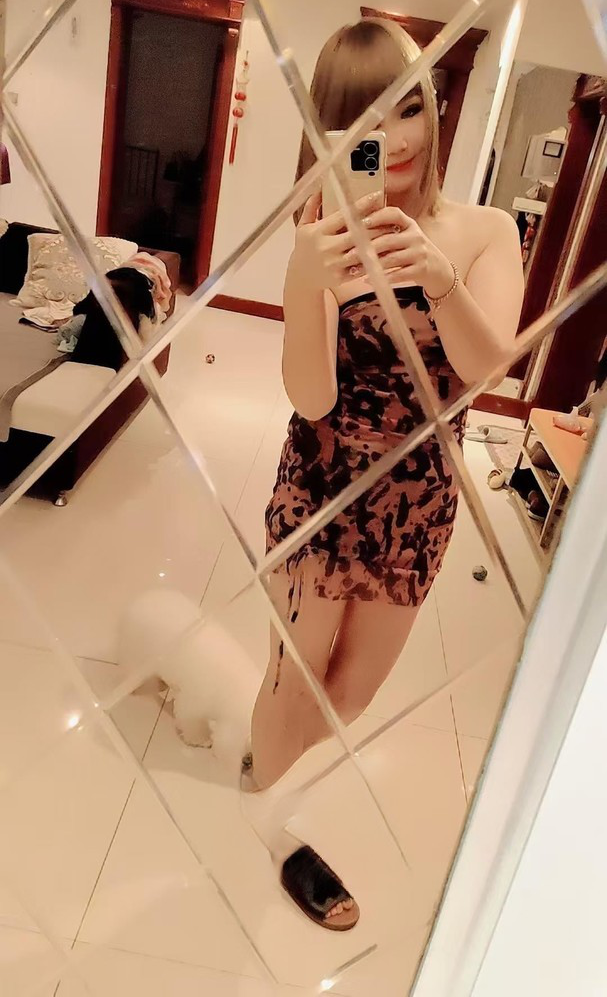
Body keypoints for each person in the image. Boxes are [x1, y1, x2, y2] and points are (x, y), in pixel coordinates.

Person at [243, 17, 524, 931]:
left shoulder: (484, 233)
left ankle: (267, 772)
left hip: (418, 503)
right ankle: (277, 833)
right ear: (331, 136)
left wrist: (439, 281)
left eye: (407, 108)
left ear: (435, 106)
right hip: (320, 488)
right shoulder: (321, 234)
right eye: (362, 123)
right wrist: (306, 279)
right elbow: (311, 396)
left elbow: (484, 374)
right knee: (295, 682)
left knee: (353, 692)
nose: (393, 140)